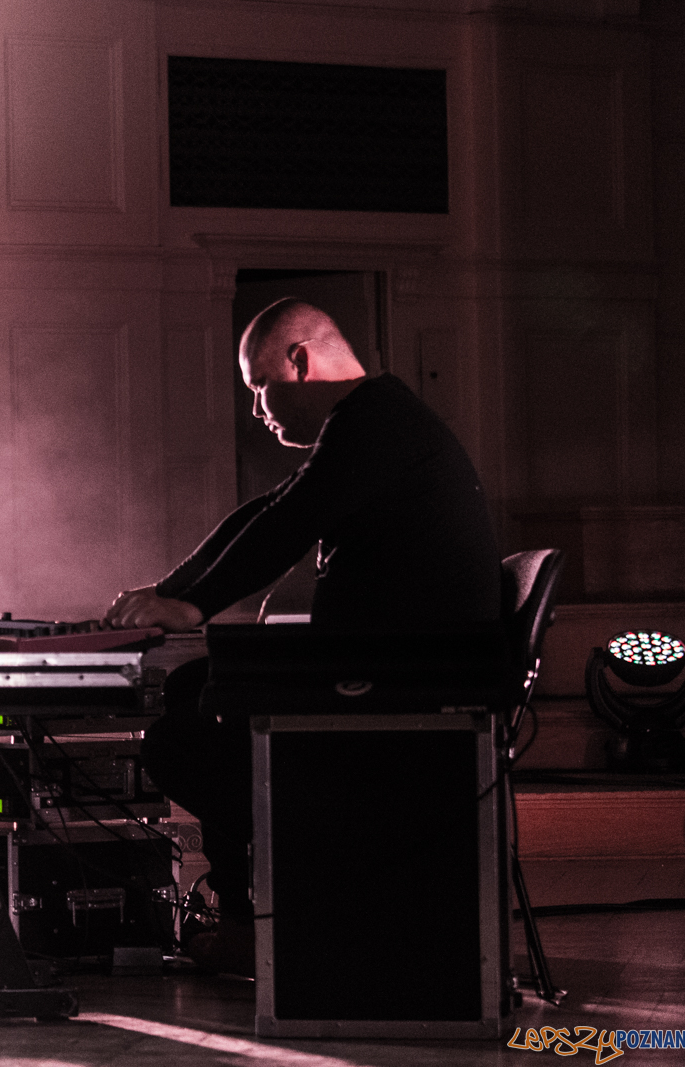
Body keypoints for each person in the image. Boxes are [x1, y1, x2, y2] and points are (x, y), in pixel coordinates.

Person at [105, 298, 500, 974]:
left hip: (395, 691)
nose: (258, 409)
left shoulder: (377, 425)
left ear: (299, 361)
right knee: (195, 687)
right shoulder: (375, 420)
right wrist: (168, 594)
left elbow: (289, 524)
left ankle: (277, 912)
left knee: (183, 736)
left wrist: (192, 607)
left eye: (260, 388)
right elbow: (268, 511)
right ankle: (252, 916)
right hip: (385, 670)